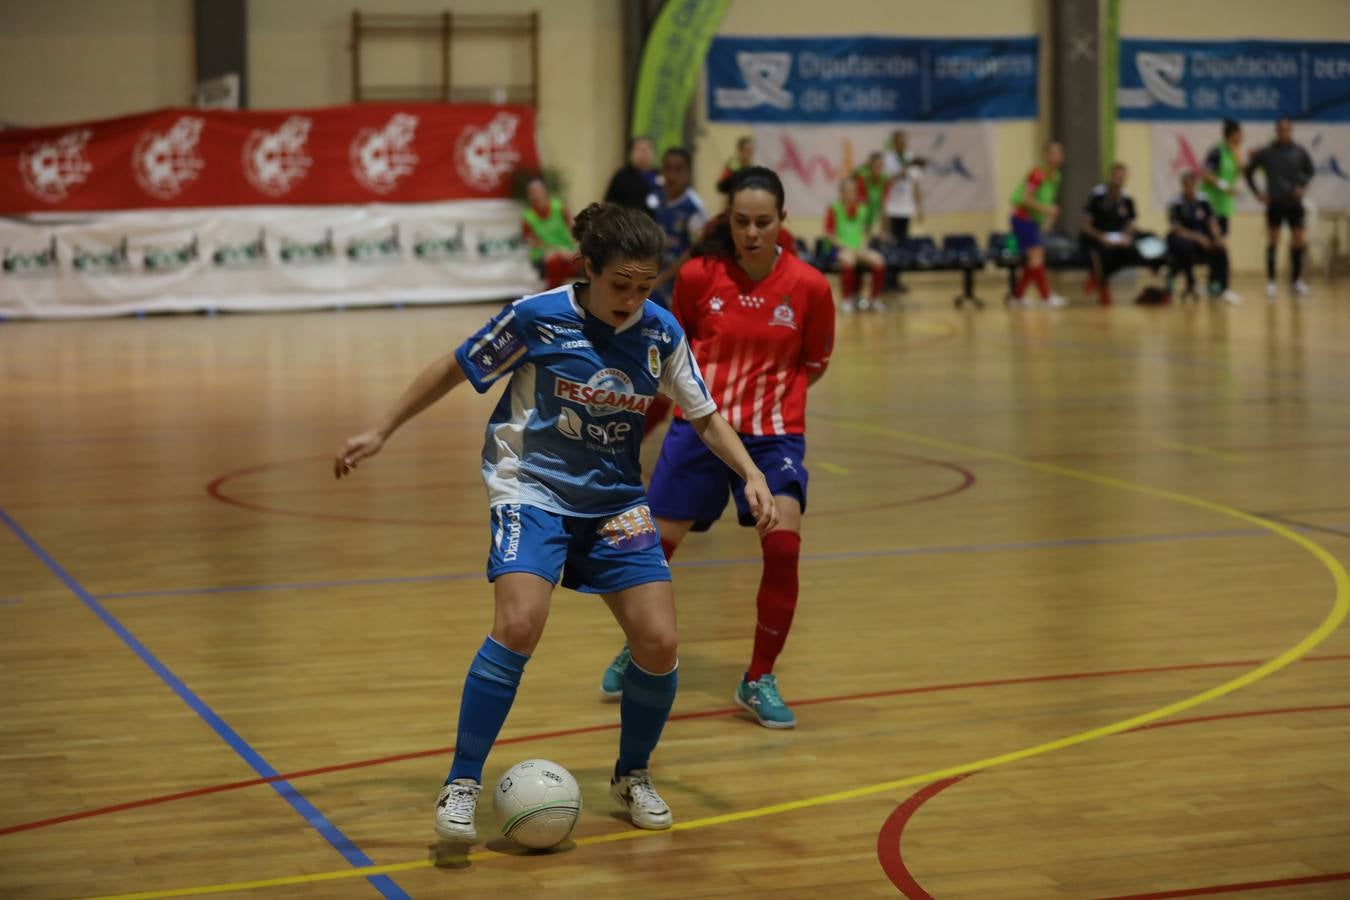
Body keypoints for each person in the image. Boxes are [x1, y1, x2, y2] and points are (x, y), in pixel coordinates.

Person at [334, 203, 778, 842]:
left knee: (658, 643)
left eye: (644, 287)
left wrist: (751, 474)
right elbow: (456, 366)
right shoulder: (537, 317)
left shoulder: (660, 332)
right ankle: (462, 781)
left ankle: (631, 776)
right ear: (588, 271)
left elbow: (704, 414)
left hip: (616, 502)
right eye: (618, 285)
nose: (631, 300)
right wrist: (381, 429)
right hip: (531, 489)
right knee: (518, 625)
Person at [600, 166, 836, 730]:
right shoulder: (700, 276)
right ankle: (639, 645)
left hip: (775, 434)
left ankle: (758, 677)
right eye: (741, 221)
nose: (751, 232)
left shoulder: (810, 286)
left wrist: (765, 402)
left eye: (763, 222)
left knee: (782, 547)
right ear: (726, 220)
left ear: (782, 221)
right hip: (699, 429)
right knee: (654, 553)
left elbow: (817, 362)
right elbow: (670, 355)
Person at [1245, 117, 1315, 300]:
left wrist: (1301, 186)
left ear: (1291, 131)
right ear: (1276, 131)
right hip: (1275, 203)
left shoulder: (1299, 151)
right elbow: (1248, 171)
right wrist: (1257, 193)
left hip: (1294, 203)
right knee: (1273, 241)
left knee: (1298, 241)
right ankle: (1271, 282)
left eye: (1288, 129)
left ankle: (1296, 282)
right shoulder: (1267, 152)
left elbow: (1310, 171)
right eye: (1281, 129)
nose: (1284, 132)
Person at [1009, 140, 1067, 307]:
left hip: (1034, 220)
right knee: (1036, 255)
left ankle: (1018, 297)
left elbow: (1047, 201)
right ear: (1045, 155)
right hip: (1022, 217)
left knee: (1033, 259)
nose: (1057, 156)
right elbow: (1026, 199)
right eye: (1053, 152)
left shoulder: (1056, 176)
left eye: (1059, 153)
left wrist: (1047, 219)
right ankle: (1046, 297)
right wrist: (1046, 210)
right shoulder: (1037, 173)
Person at [651, 147, 708, 309]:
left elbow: (697, 250)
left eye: (679, 169)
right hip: (655, 281)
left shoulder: (694, 207)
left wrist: (662, 278)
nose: (672, 176)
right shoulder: (657, 199)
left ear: (688, 172)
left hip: (680, 285)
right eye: (668, 168)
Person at [824, 176, 887, 313]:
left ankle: (874, 299)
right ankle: (847, 299)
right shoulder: (834, 209)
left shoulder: (862, 209)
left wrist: (862, 246)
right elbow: (830, 234)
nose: (851, 194)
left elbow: (865, 232)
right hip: (839, 249)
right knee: (848, 260)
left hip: (858, 248)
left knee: (879, 260)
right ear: (841, 193)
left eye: (853, 191)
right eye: (847, 191)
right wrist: (847, 248)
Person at [1167, 171, 1232, 303]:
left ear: (1195, 185)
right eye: (1186, 185)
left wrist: (1217, 237)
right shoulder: (1176, 203)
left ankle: (1219, 286)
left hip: (1203, 239)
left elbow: (1212, 221)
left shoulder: (1204, 200)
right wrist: (1199, 238)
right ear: (1183, 186)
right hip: (1185, 239)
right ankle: (1191, 284)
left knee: (1221, 249)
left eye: (1192, 185)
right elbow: (1177, 229)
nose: (1189, 188)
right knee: (1185, 247)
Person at [1197, 118, 1244, 303]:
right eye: (1239, 133)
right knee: (1219, 246)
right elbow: (1205, 173)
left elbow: (1237, 174)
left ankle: (1213, 287)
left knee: (1217, 247)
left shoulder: (1235, 153)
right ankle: (1223, 288)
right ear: (1231, 134)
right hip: (1212, 206)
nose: (1242, 137)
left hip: (1224, 207)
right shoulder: (1217, 151)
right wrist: (1224, 185)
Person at [1079, 162, 1137, 307]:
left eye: (1122, 177)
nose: (1119, 180)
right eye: (1116, 176)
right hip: (1097, 236)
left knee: (1132, 252)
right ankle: (1102, 284)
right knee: (1101, 253)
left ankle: (1099, 278)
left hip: (1118, 238)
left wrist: (1125, 237)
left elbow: (1131, 223)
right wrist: (1101, 237)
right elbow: (1085, 223)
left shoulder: (1127, 198)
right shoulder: (1097, 195)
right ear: (1110, 176)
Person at [881, 130, 924, 293]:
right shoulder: (888, 159)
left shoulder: (910, 157)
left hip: (906, 208)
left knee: (902, 245)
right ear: (893, 142)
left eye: (904, 141)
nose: (902, 144)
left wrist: (919, 208)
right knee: (889, 244)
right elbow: (885, 182)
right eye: (899, 141)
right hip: (891, 208)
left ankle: (896, 280)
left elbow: (916, 184)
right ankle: (886, 280)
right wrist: (901, 172)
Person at [521, 178, 580, 289]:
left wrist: (574, 248)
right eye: (532, 193)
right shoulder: (528, 216)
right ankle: (552, 290)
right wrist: (557, 250)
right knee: (555, 261)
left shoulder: (559, 207)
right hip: (543, 253)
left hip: (567, 250)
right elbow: (532, 242)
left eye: (537, 191)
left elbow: (573, 228)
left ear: (545, 192)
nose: (535, 196)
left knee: (581, 260)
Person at [605, 136, 659, 216]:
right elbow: (609, 204)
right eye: (639, 149)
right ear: (631, 153)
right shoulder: (621, 176)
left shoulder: (659, 175)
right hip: (628, 223)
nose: (644, 153)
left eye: (647, 149)